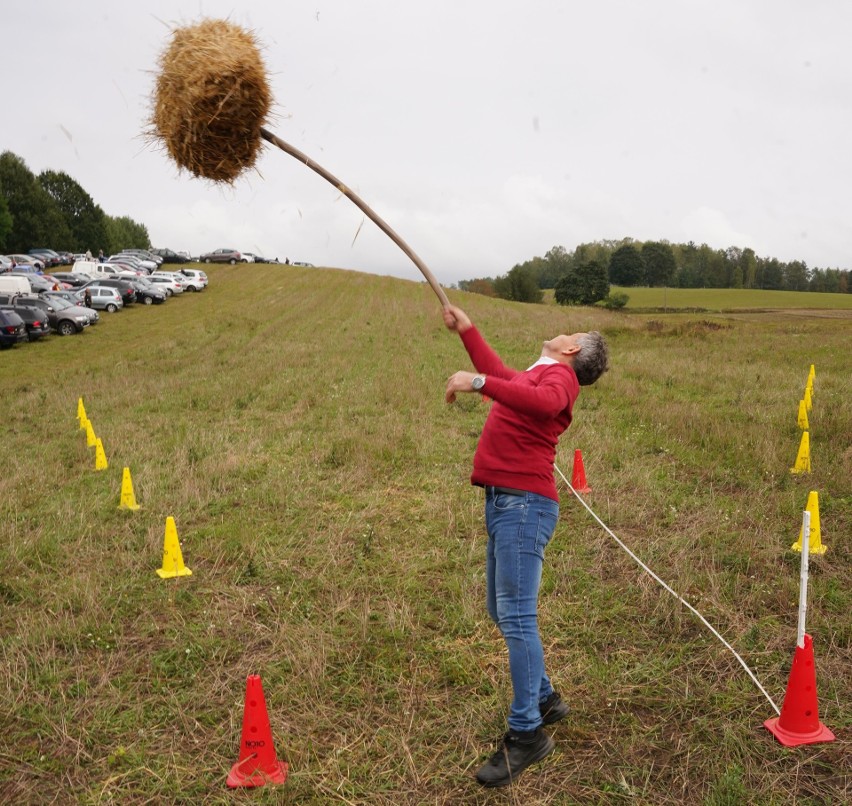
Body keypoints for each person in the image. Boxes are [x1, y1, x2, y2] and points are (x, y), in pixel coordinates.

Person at [442, 303, 609, 788]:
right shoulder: (541, 375)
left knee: (517, 616)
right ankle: (545, 699)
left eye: (570, 332)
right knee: (502, 611)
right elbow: (500, 376)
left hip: (523, 505)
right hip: (507, 503)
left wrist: (475, 384)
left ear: (571, 349)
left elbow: (534, 401)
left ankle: (527, 733)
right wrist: (468, 331)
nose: (561, 332)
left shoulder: (561, 381)